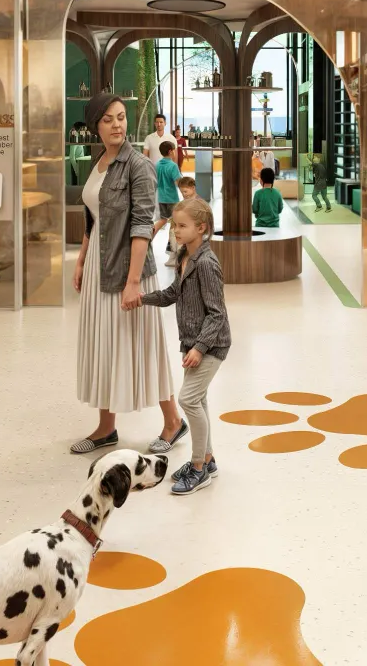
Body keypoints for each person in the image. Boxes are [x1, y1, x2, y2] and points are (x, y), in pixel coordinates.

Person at [72, 92, 185, 456]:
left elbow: (141, 226)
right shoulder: (99, 161)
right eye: (108, 119)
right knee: (105, 345)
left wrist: (133, 282)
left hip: (128, 270)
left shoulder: (139, 166)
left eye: (121, 117)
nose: (117, 124)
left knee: (142, 345)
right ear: (96, 126)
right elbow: (93, 217)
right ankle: (106, 428)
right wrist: (80, 260)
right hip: (97, 269)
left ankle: (173, 422)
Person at [139, 197, 228, 496]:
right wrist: (141, 298)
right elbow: (172, 293)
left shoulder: (206, 264)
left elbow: (217, 314)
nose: (175, 231)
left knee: (189, 400)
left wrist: (200, 348)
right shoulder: (183, 258)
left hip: (211, 345)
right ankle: (209, 460)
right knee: (198, 401)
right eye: (175, 225)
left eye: (182, 226)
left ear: (201, 228)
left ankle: (198, 468)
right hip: (192, 342)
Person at [154, 140, 182, 259]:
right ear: (171, 151)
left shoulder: (157, 165)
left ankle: (147, 239)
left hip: (160, 198)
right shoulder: (173, 166)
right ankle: (172, 254)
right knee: (174, 225)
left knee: (162, 220)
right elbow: (178, 183)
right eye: (174, 150)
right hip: (172, 199)